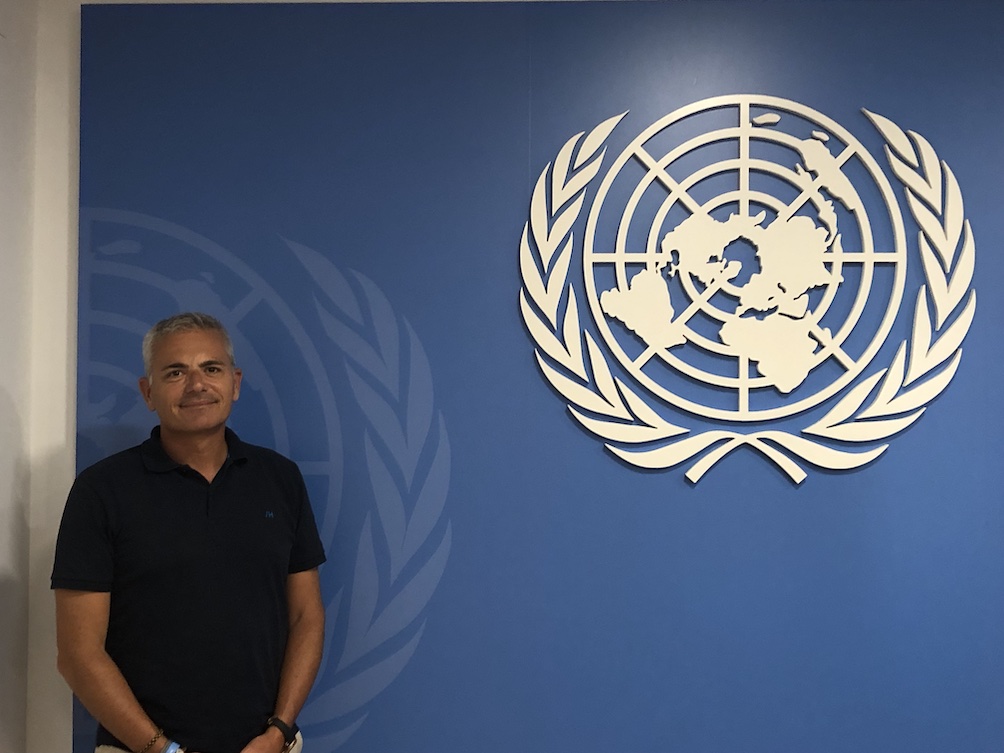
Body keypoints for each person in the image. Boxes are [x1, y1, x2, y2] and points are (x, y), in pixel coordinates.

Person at [52, 312, 326, 753]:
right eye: (175, 372)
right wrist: (165, 750)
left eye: (211, 368)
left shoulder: (280, 479)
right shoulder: (100, 491)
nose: (197, 384)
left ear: (235, 383)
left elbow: (305, 617)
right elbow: (78, 655)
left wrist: (279, 731)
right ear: (148, 393)